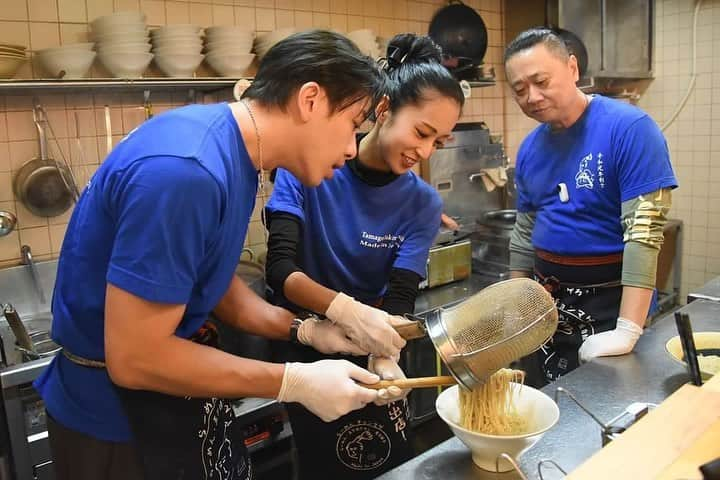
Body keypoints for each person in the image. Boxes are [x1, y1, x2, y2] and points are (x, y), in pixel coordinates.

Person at [33, 30, 406, 480]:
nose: (351, 149)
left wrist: (305, 330)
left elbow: (209, 280)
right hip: (118, 425)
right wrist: (293, 381)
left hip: (166, 403)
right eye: (353, 125)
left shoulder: (237, 153)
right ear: (310, 100)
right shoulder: (188, 171)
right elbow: (136, 359)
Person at [264, 33, 464, 479]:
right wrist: (339, 310)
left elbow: (400, 294)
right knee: (323, 465)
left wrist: (385, 352)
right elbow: (280, 270)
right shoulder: (308, 166)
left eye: (439, 142)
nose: (425, 152)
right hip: (308, 338)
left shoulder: (423, 203)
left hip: (376, 341)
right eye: (422, 132)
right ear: (383, 109)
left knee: (387, 459)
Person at [504, 27, 677, 386]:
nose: (532, 96)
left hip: (612, 309)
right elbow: (524, 235)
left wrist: (628, 330)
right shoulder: (530, 148)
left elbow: (644, 230)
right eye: (520, 90)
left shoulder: (629, 128)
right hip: (550, 310)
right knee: (552, 413)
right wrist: (517, 307)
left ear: (572, 68)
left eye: (540, 81)